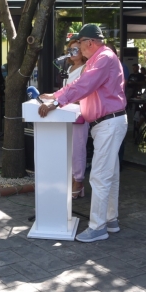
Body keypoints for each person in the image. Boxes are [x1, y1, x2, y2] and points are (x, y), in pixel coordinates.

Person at [39, 24, 127, 243]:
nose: (78, 48)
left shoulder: (103, 58)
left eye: (79, 44)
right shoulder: (100, 58)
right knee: (110, 174)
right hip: (107, 123)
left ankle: (98, 227)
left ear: (89, 42)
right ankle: (110, 220)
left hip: (108, 123)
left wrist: (57, 102)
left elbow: (85, 85)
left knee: (99, 176)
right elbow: (79, 83)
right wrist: (57, 95)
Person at [62, 36, 89, 200]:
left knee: (78, 148)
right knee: (68, 149)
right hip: (67, 111)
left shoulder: (85, 68)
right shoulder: (69, 69)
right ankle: (74, 183)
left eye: (75, 49)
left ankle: (78, 181)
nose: (72, 52)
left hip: (79, 111)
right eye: (70, 49)